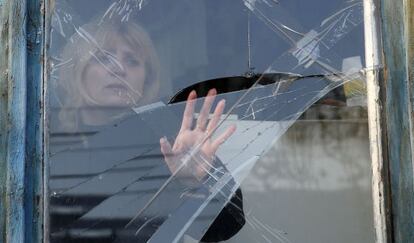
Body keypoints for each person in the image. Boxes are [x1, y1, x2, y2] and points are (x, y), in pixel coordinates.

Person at [50, 18, 245, 242]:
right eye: (103, 58)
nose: (118, 69)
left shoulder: (168, 137)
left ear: (147, 78)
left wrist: (194, 181)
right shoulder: (43, 139)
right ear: (77, 70)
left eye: (132, 61)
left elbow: (231, 223)